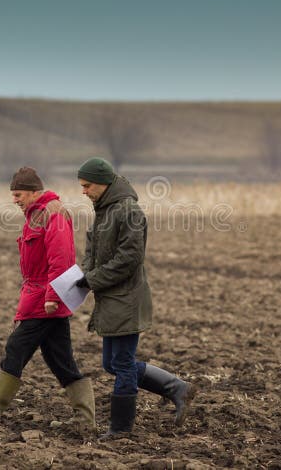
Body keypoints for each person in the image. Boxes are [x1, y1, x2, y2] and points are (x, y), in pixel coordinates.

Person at [0, 167, 95, 434]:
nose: (14, 200)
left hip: (46, 300)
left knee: (16, 347)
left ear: (34, 192)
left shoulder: (52, 214)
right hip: (40, 297)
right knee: (60, 360)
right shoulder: (37, 214)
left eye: (18, 194)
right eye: (13, 195)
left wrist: (53, 298)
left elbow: (62, 260)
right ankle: (86, 422)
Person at [75, 157, 197, 438]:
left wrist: (92, 279)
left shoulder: (128, 211)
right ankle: (177, 388)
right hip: (111, 298)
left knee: (123, 364)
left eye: (87, 185)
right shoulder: (104, 210)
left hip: (127, 299)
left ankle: (120, 429)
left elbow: (130, 258)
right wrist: (84, 276)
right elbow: (92, 252)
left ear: (104, 183)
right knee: (111, 364)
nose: (83, 191)